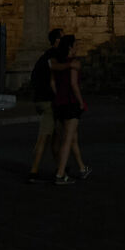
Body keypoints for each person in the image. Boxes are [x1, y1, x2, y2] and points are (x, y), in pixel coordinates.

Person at [49, 32, 90, 185]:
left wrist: (58, 96)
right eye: (75, 45)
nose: (77, 47)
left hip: (59, 103)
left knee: (71, 138)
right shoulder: (74, 63)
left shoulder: (55, 63)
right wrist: (81, 102)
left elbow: (53, 83)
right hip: (71, 103)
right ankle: (60, 174)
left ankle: (82, 168)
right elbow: (74, 85)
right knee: (67, 140)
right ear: (70, 47)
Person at [24, 29, 64, 182]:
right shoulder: (53, 55)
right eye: (62, 37)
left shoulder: (45, 55)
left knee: (55, 136)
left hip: (41, 99)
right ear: (57, 40)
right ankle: (33, 171)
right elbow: (54, 72)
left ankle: (61, 167)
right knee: (44, 137)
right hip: (47, 101)